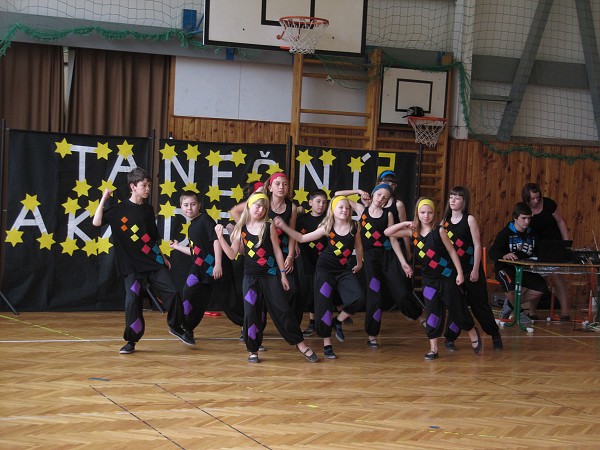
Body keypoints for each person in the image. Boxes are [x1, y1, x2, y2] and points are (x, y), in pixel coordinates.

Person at [92, 167, 192, 354]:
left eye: (149, 185)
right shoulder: (118, 210)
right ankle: (131, 341)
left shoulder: (147, 210)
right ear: (133, 187)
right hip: (131, 267)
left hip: (153, 262)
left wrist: (162, 257)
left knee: (173, 293)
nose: (147, 189)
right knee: (132, 302)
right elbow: (96, 222)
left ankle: (176, 326)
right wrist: (104, 199)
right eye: (143, 185)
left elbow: (152, 237)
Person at [214, 192, 318, 364]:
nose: (260, 209)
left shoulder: (269, 226)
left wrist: (283, 275)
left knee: (283, 310)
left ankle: (301, 345)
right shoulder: (241, 228)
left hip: (270, 276)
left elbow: (277, 251)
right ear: (249, 206)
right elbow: (232, 255)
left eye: (264, 207)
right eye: (257, 205)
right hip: (250, 278)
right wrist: (220, 237)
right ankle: (253, 350)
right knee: (251, 313)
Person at [385, 198, 482, 360]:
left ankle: (472, 332)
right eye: (422, 212)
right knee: (433, 313)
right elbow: (387, 233)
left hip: (446, 277)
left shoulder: (440, 231)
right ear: (417, 213)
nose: (426, 216)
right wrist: (406, 223)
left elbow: (452, 252)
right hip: (428, 281)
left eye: (429, 212)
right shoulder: (413, 232)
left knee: (457, 308)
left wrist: (459, 273)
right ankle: (434, 349)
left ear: (434, 214)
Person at [274, 195, 364, 359]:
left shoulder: (354, 226)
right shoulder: (327, 226)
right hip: (325, 270)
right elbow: (301, 238)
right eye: (340, 207)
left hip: (343, 269)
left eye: (347, 208)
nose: (344, 210)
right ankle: (327, 345)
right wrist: (283, 226)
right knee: (323, 305)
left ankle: (338, 321)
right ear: (334, 210)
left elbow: (358, 246)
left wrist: (359, 263)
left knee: (358, 297)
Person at [335, 184, 421, 348]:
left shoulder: (388, 214)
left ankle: (418, 315)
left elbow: (393, 238)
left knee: (402, 292)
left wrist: (403, 263)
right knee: (374, 296)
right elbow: (338, 194)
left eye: (385, 198)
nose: (381, 199)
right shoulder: (361, 210)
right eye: (379, 194)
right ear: (373, 193)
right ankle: (372, 335)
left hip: (388, 257)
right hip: (370, 259)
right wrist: (358, 191)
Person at [169, 191, 240, 342]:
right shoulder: (191, 226)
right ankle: (187, 329)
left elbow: (216, 241)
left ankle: (250, 327)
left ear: (199, 205)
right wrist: (177, 247)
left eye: (193, 204)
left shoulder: (205, 220)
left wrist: (218, 265)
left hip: (216, 270)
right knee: (189, 293)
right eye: (186, 205)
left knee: (231, 303)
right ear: (181, 207)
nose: (189, 208)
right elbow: (195, 252)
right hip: (199, 271)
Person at [441, 186, 503, 351]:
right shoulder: (444, 222)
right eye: (451, 197)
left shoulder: (469, 220)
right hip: (454, 272)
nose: (453, 200)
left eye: (457, 197)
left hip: (471, 269)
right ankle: (450, 338)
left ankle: (494, 334)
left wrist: (476, 269)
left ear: (464, 200)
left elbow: (477, 245)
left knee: (480, 306)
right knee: (456, 305)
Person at [489, 201, 549, 324]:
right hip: (505, 268)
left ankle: (510, 305)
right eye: (523, 218)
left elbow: (538, 252)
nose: (526, 222)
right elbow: (493, 252)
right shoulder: (505, 234)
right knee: (511, 289)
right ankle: (519, 313)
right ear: (515, 218)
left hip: (525, 270)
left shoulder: (532, 234)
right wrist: (503, 255)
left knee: (541, 287)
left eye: (529, 218)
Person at [522, 183, 571, 321]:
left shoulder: (549, 204)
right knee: (537, 279)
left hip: (554, 245)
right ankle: (532, 312)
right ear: (527, 198)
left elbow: (561, 222)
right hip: (536, 248)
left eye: (538, 197)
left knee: (557, 278)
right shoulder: (525, 209)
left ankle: (565, 313)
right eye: (533, 199)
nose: (536, 201)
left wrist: (566, 243)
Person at [265, 172, 302, 324]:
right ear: (270, 187)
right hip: (265, 251)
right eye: (278, 184)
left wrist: (290, 256)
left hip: (284, 250)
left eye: (285, 184)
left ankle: (291, 324)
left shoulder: (291, 207)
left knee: (291, 288)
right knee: (263, 288)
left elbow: (293, 233)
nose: (281, 187)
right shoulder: (263, 203)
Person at [295, 189, 329, 337]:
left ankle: (327, 322)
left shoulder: (329, 219)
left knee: (325, 292)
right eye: (318, 201)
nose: (321, 205)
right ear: (310, 202)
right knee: (310, 291)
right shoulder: (302, 220)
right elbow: (294, 236)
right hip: (308, 260)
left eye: (324, 202)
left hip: (326, 261)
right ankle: (312, 322)